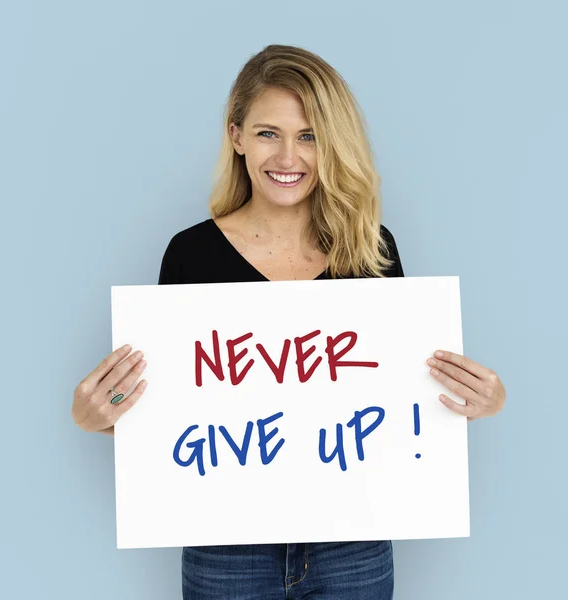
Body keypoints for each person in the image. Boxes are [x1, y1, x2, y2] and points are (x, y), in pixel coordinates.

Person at [72, 44, 506, 600]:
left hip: (353, 545)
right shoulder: (190, 256)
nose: (288, 157)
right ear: (236, 137)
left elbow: (402, 409)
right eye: (267, 133)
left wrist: (479, 403)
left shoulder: (371, 253)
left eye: (309, 136)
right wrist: (100, 418)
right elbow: (171, 417)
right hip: (227, 548)